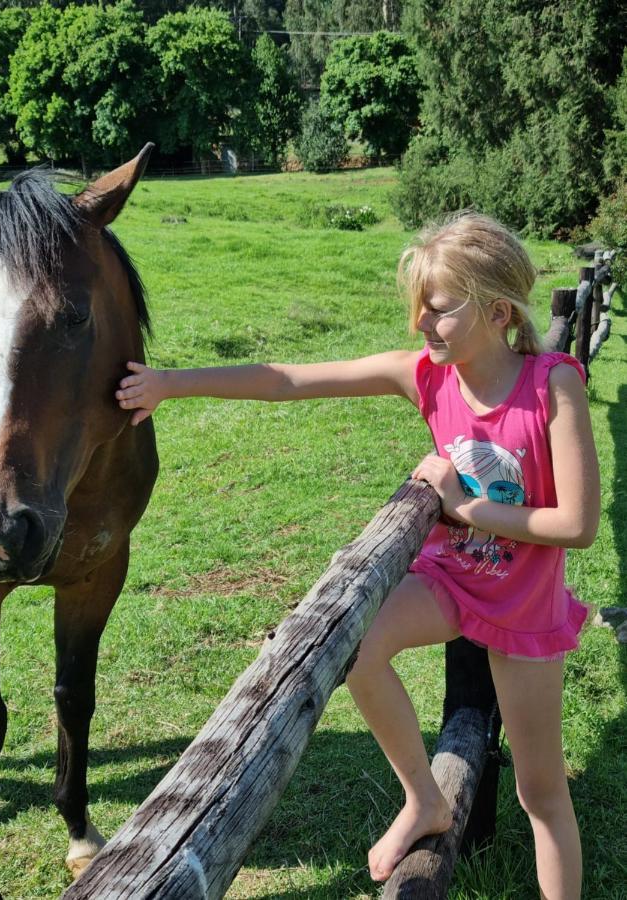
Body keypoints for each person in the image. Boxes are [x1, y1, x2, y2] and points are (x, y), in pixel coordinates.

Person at [116, 212, 599, 900]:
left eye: (434, 311)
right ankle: (423, 799)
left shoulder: (552, 386)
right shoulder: (425, 378)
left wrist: (463, 507)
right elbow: (289, 379)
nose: (418, 327)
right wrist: (171, 382)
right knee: (356, 645)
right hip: (449, 581)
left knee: (540, 790)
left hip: (524, 603)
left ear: (495, 313)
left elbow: (577, 524)